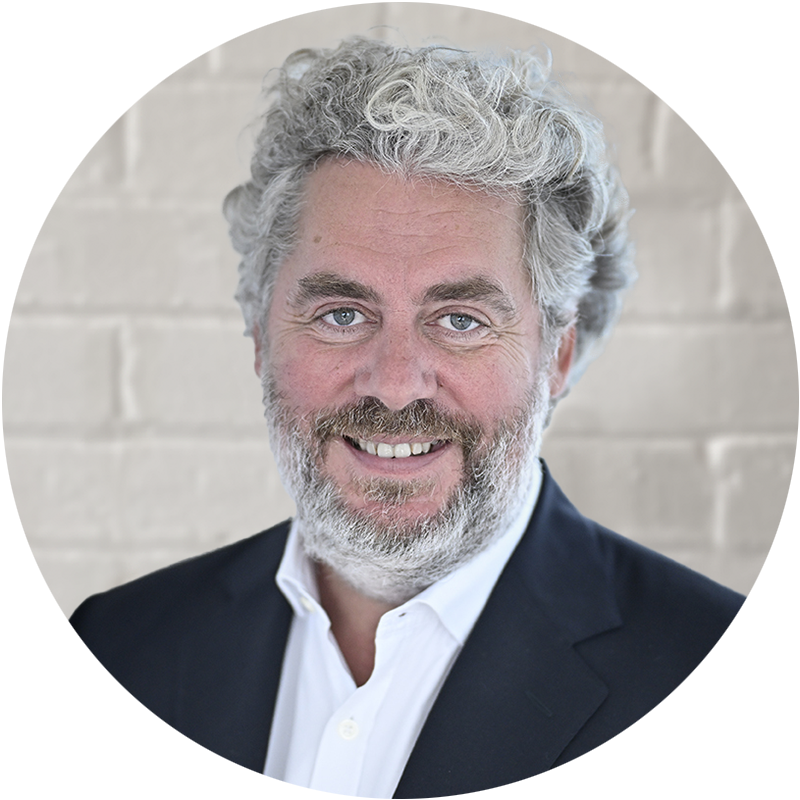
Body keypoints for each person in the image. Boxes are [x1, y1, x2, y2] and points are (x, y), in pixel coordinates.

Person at [19, 37, 797, 799]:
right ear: (259, 336)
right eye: (341, 313)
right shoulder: (111, 657)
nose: (395, 387)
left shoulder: (754, 701)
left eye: (460, 320)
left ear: (556, 355)